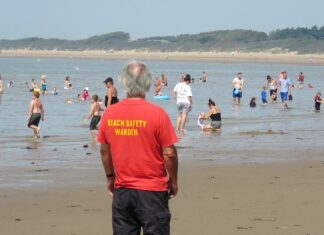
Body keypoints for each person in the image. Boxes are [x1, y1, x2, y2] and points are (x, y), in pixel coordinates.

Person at [98, 61, 178, 235]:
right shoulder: (158, 114)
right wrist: (173, 180)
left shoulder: (110, 113)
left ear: (124, 82)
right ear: (148, 83)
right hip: (152, 193)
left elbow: (105, 152)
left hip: (123, 191)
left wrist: (110, 177)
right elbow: (169, 153)